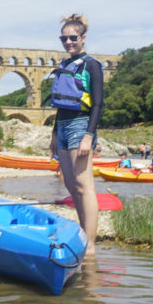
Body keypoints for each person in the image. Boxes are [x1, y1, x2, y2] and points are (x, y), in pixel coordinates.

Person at [47, 13, 104, 256]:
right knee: (71, 185)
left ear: (82, 38)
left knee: (84, 185)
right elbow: (61, 105)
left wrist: (89, 135)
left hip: (81, 126)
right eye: (64, 38)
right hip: (62, 128)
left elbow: (99, 104)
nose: (68, 42)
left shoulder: (92, 65)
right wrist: (53, 134)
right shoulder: (65, 65)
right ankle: (83, 232)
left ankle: (90, 246)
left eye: (73, 38)